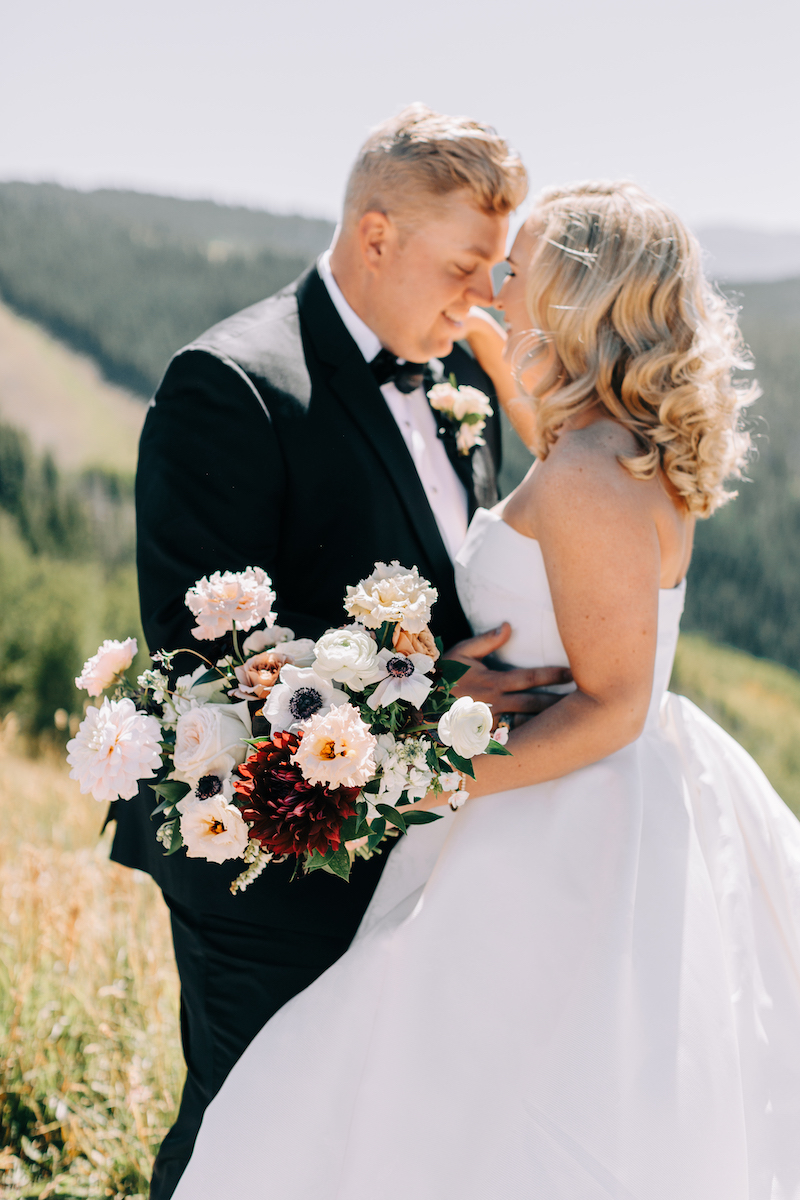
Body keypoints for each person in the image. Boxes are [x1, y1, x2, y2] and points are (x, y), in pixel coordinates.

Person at [173, 181, 800, 1199]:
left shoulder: (589, 470)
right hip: (579, 800)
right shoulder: (605, 439)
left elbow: (613, 703)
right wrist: (506, 360)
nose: (495, 286)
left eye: (517, 268)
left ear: (575, 293)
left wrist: (431, 780)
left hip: (562, 825)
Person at [110, 104, 568, 1199]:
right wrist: (430, 695)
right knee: (245, 1139)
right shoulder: (229, 384)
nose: (483, 297)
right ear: (374, 236)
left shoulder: (459, 381)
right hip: (266, 865)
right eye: (464, 266)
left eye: (496, 269)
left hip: (416, 850)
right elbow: (204, 665)